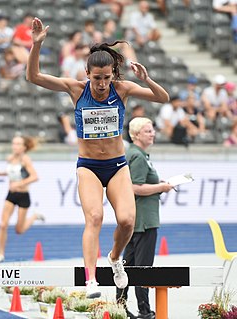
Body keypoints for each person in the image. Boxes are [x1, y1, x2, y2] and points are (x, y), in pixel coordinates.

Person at [26, 17, 169, 298]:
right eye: (96, 78)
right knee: (94, 216)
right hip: (89, 167)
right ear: (87, 73)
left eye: (106, 78)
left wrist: (147, 79)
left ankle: (115, 258)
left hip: (117, 166)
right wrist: (36, 46)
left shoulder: (122, 89)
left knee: (128, 221)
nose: (102, 84)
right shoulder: (76, 89)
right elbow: (34, 77)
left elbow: (162, 98)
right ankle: (90, 279)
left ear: (112, 73)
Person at [116, 117, 173, 319]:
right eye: (148, 131)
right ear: (137, 134)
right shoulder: (138, 156)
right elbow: (134, 187)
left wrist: (159, 184)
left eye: (152, 130)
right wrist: (161, 187)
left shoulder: (135, 153)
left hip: (135, 219)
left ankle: (120, 307)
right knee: (143, 267)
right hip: (144, 221)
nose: (153, 133)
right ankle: (144, 310)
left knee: (127, 266)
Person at [0, 136, 45, 263]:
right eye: (14, 143)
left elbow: (35, 177)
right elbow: (13, 172)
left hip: (23, 196)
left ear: (24, 147)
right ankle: (0, 253)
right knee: (3, 224)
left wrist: (19, 184)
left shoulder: (26, 160)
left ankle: (34, 217)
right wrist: (1, 173)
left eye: (18, 144)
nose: (15, 146)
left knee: (19, 230)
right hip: (11, 195)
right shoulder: (10, 158)